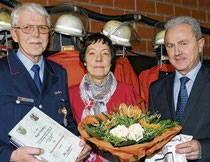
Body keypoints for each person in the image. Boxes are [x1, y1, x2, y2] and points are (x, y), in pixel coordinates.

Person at [0, 3, 91, 161]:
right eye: (27, 27)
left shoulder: (59, 73)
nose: (36, 34)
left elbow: (66, 119)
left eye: (42, 28)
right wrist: (11, 156)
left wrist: (79, 143)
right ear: (14, 34)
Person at [149, 16, 210, 161]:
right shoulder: (156, 89)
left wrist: (203, 149)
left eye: (183, 43)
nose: (177, 52)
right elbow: (151, 133)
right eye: (170, 46)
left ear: (200, 44)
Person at [69, 33, 137, 161]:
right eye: (92, 53)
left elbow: (137, 135)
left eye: (105, 53)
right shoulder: (71, 93)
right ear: (84, 61)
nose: (99, 59)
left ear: (111, 60)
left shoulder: (127, 91)